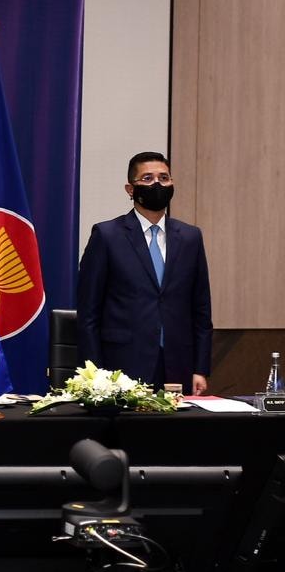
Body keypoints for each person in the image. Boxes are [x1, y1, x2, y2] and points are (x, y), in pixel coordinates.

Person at [77, 151, 212, 394]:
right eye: (147, 178)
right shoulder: (107, 236)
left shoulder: (191, 237)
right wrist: (94, 374)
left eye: (164, 178)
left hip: (178, 365)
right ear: (130, 189)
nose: (157, 184)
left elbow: (201, 310)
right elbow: (88, 313)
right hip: (121, 366)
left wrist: (200, 368)